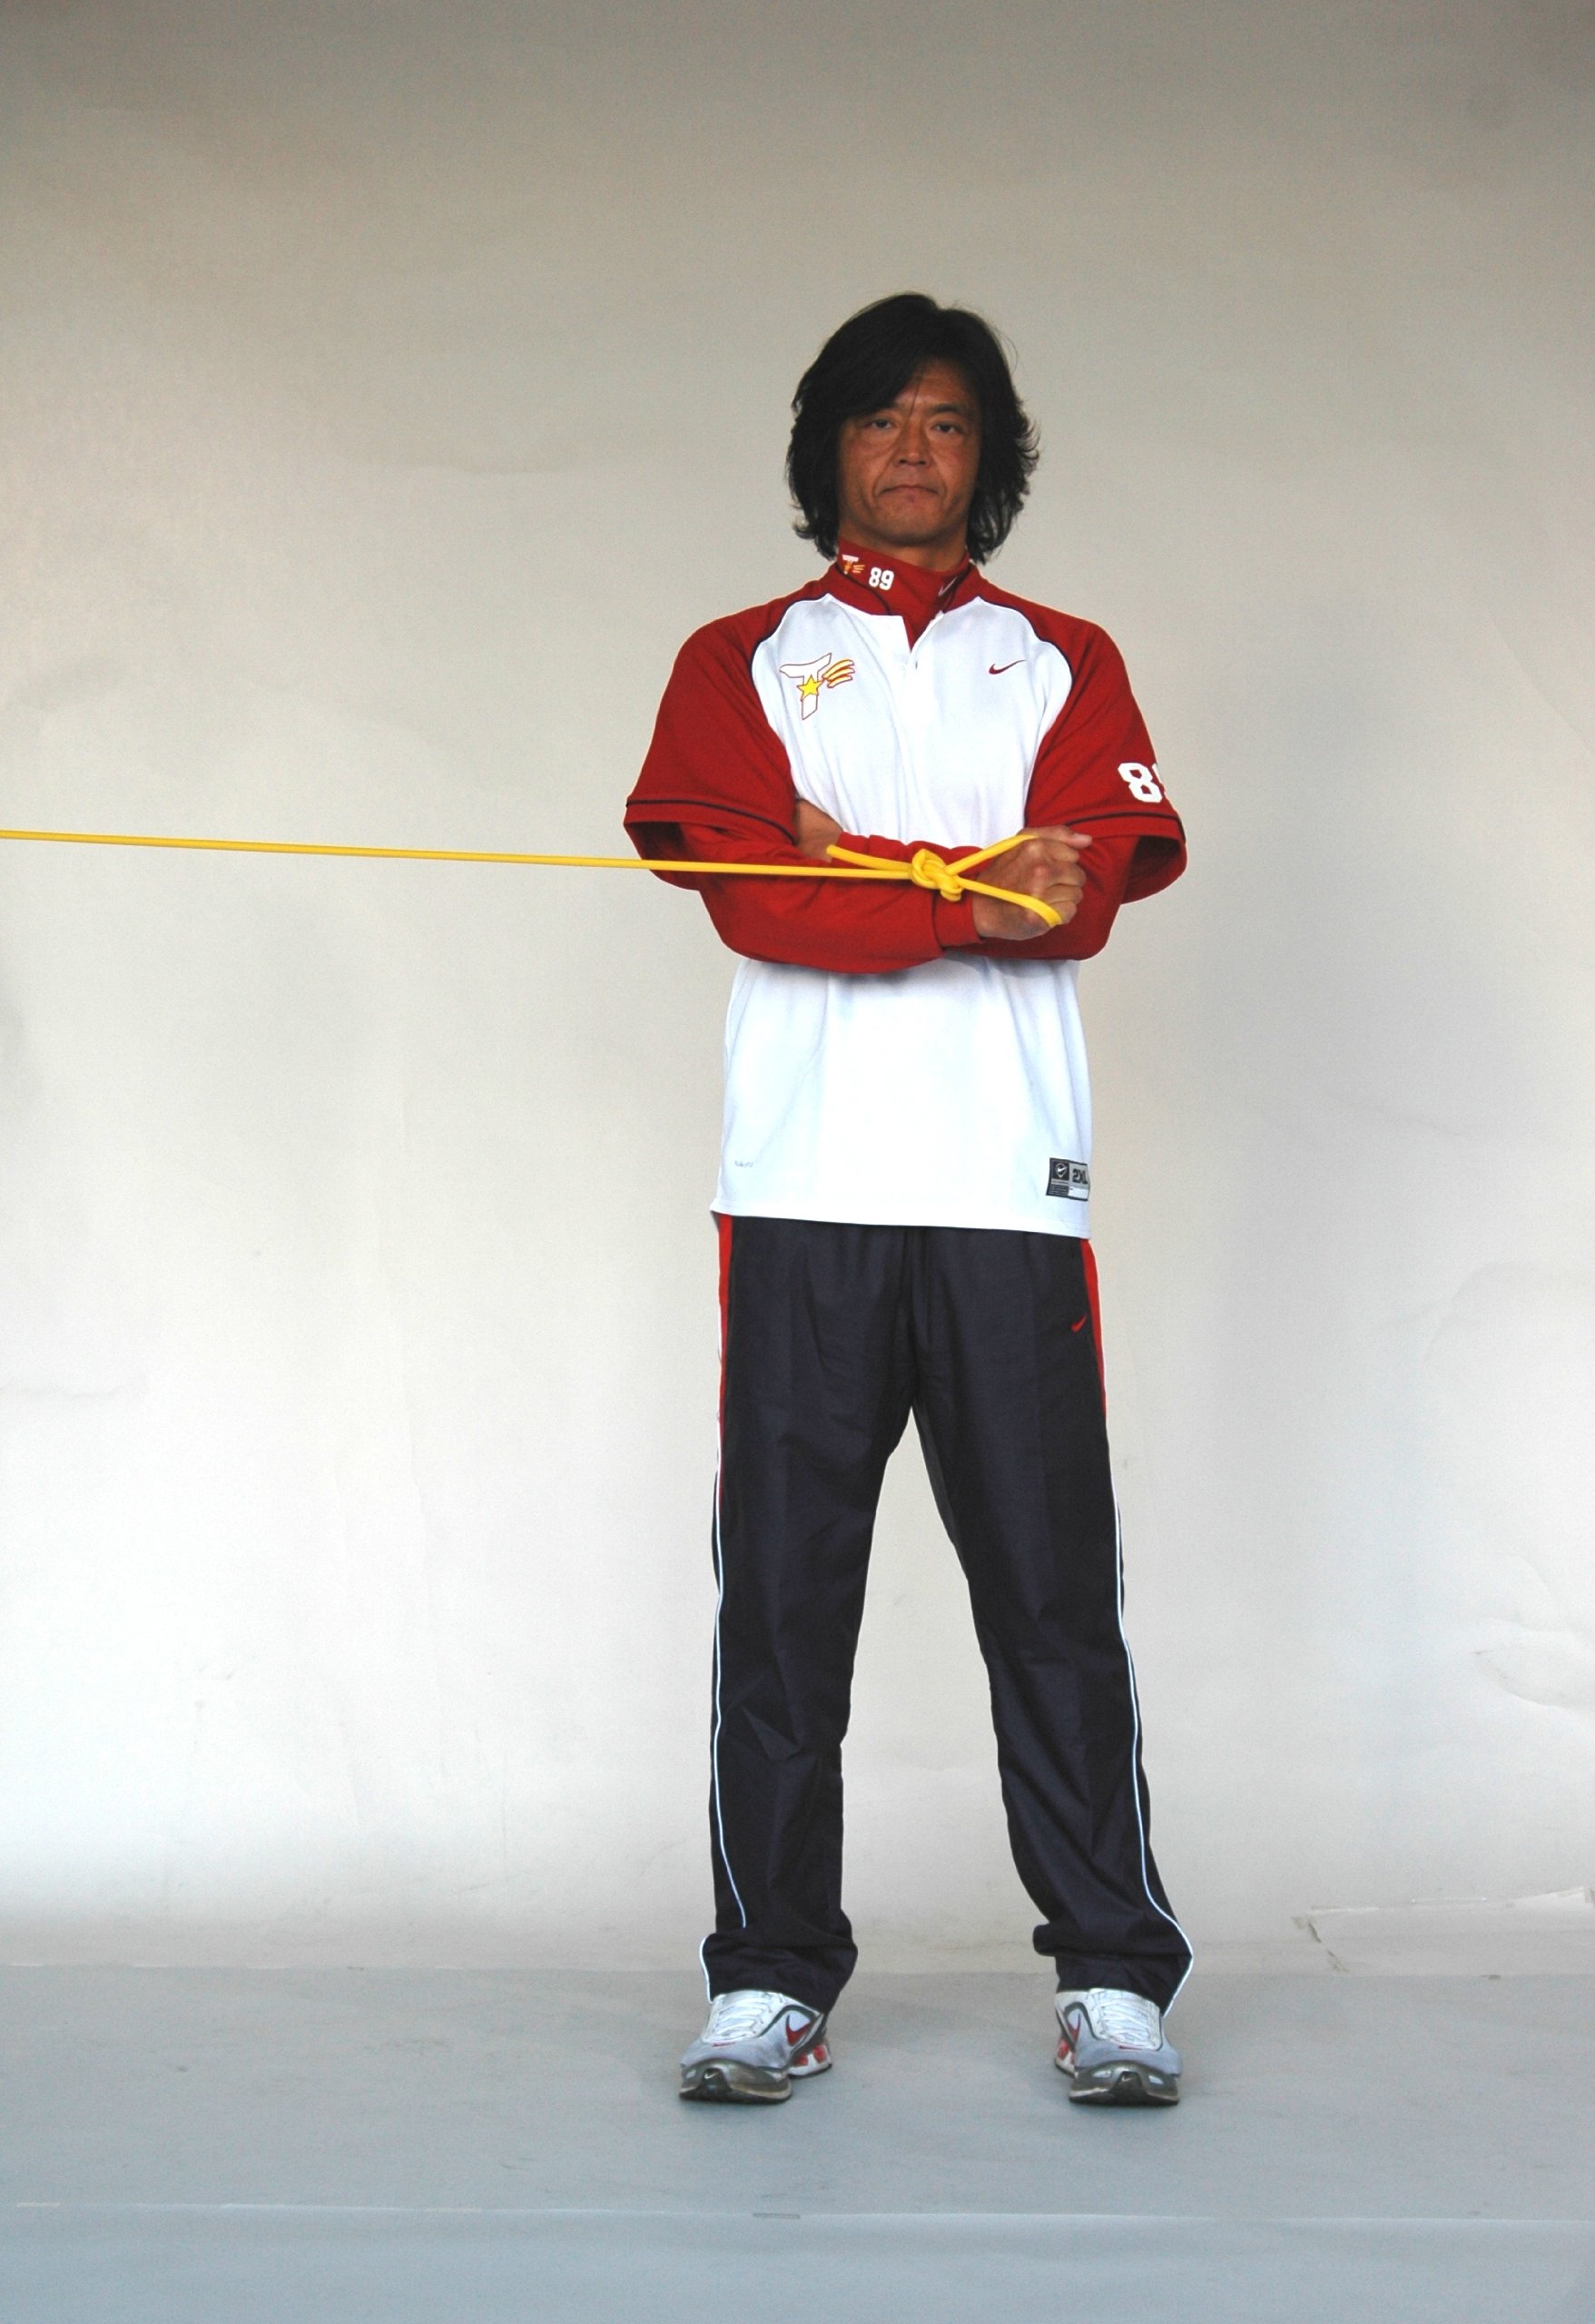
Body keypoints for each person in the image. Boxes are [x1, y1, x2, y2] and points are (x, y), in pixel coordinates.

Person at [625, 292, 1191, 2109]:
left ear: (986, 454)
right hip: (803, 1181)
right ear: (829, 449)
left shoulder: (1063, 659)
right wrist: (960, 885)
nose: (911, 449)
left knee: (1051, 1592)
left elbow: (1076, 899)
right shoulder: (739, 659)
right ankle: (766, 1975)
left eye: (947, 421)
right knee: (785, 1602)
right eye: (879, 419)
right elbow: (750, 896)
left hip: (1009, 1186)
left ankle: (1111, 1974)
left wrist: (850, 858)